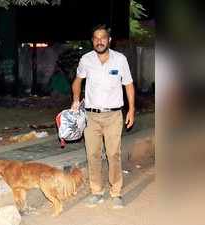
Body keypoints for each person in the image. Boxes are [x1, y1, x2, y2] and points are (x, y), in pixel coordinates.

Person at [71, 24, 135, 209]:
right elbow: (77, 81)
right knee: (92, 154)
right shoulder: (86, 59)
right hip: (91, 116)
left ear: (109, 40)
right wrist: (76, 99)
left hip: (114, 115)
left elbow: (128, 85)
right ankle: (96, 191)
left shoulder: (120, 60)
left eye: (103, 37)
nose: (100, 41)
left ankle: (116, 192)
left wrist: (131, 110)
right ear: (93, 41)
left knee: (114, 154)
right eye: (96, 38)